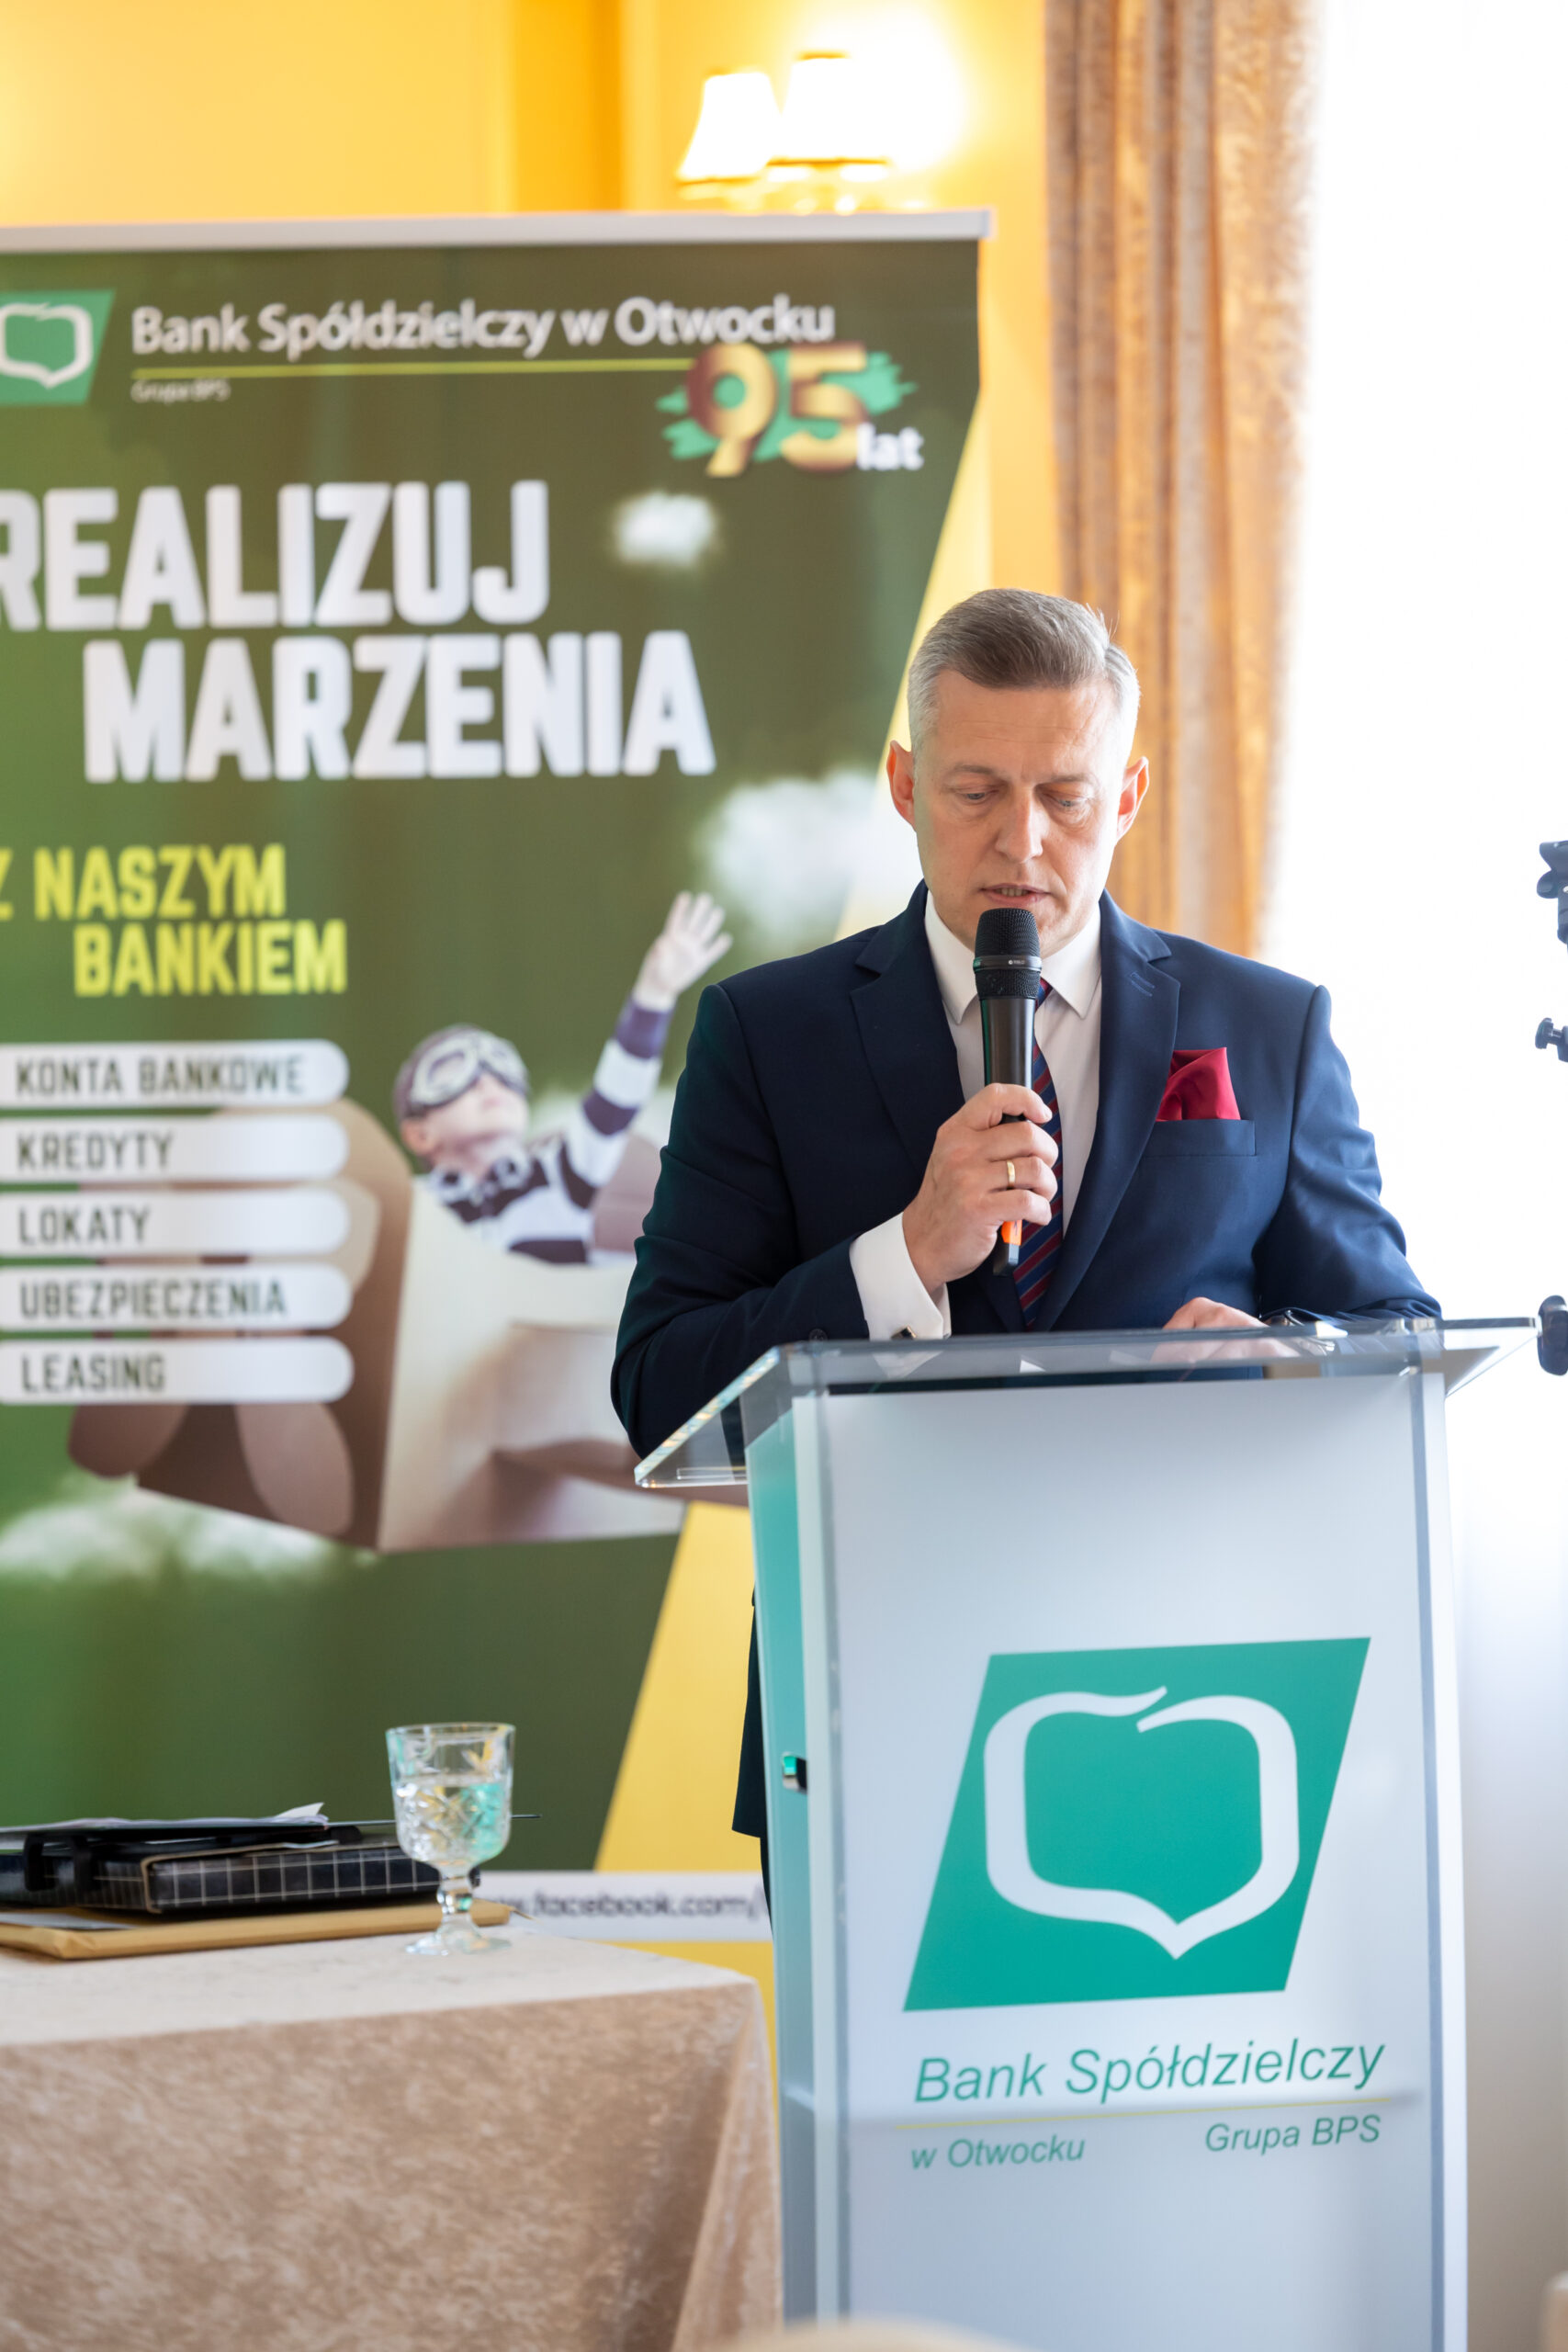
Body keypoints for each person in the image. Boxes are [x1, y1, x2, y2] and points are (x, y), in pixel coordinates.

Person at [611, 589, 1438, 1854]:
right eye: (975, 792)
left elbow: (1396, 1334)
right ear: (904, 785)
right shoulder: (765, 1036)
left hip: (1198, 1703)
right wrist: (903, 1254)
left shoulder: (1270, 1027)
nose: (1023, 842)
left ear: (1128, 795)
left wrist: (1286, 1357)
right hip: (868, 1714)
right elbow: (659, 1386)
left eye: (1064, 795)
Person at [395, 891, 729, 1262]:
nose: (487, 1082)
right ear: (419, 1134)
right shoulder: (405, 1208)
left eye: (502, 1069)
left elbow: (614, 1102)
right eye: (451, 1072)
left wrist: (654, 994)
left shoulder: (560, 1174)